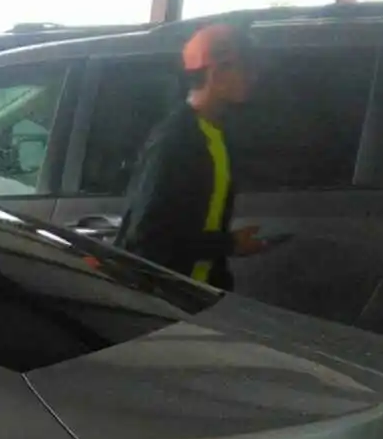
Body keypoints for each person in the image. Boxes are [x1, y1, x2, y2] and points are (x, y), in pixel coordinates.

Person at [115, 23, 270, 289]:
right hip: (165, 300)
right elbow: (147, 239)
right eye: (246, 68)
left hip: (197, 295)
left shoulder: (213, 133)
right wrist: (229, 244)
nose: (253, 77)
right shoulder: (176, 140)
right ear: (217, 72)